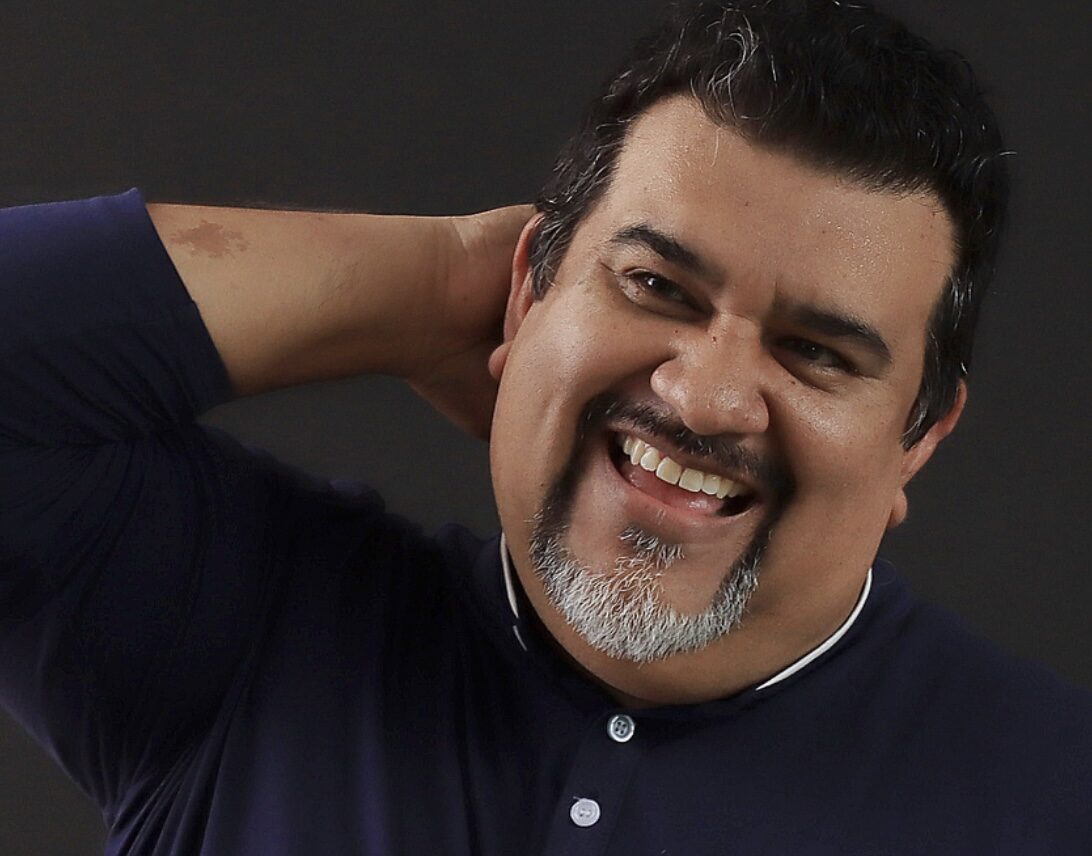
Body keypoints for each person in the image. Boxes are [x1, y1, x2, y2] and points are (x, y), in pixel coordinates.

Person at [1, 0, 1088, 853]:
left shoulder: (1053, 799)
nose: (704, 397)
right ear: (528, 294)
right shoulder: (249, 634)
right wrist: (431, 288)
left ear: (918, 438)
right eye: (656, 284)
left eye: (816, 351)